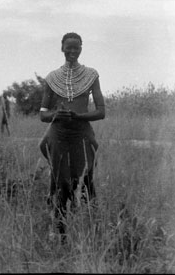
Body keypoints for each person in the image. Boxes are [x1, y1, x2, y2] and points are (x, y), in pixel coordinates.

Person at [39, 32, 105, 235]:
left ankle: (92, 232)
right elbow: (43, 114)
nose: (72, 51)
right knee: (61, 184)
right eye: (69, 47)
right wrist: (56, 114)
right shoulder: (52, 78)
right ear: (62, 48)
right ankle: (60, 232)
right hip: (59, 134)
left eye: (76, 48)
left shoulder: (91, 75)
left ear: (81, 49)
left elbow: (101, 111)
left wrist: (78, 116)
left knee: (85, 181)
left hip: (81, 134)